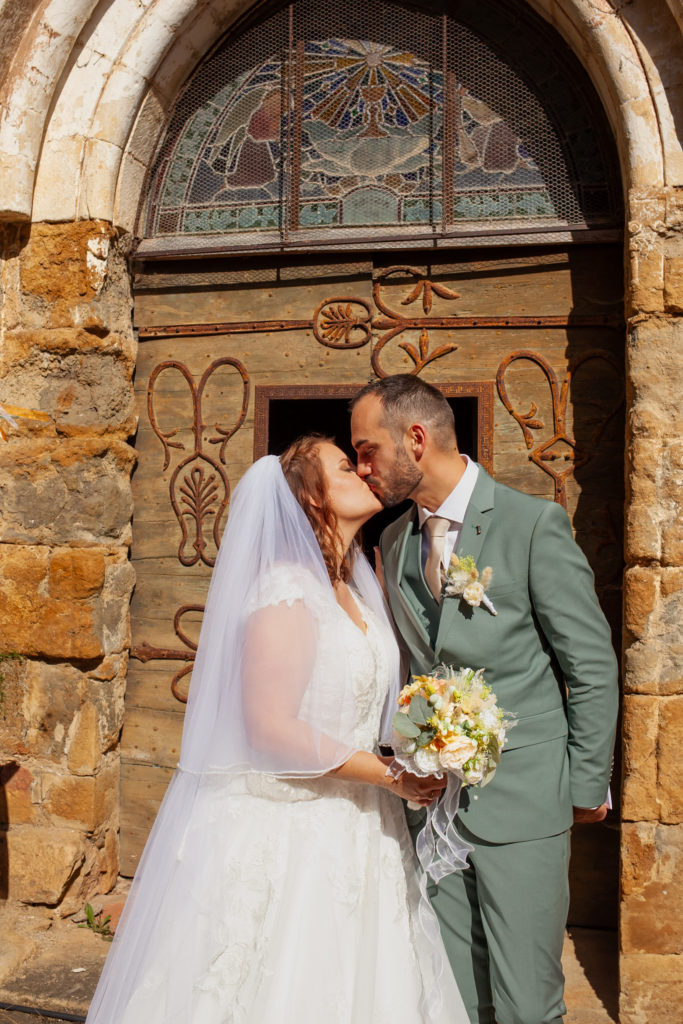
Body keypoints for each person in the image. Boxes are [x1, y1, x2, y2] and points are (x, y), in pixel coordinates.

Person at [85, 435, 470, 1024]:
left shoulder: (355, 594)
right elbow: (270, 730)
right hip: (294, 830)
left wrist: (427, 740)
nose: (363, 471)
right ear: (313, 499)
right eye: (345, 466)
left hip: (364, 829)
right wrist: (389, 775)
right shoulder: (285, 594)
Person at [350, 375, 619, 1024]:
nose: (362, 469)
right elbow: (417, 664)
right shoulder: (392, 543)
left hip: (525, 799)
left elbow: (587, 664)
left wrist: (585, 783)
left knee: (528, 1004)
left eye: (366, 450)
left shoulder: (532, 525)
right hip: (436, 811)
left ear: (415, 440)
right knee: (451, 1000)